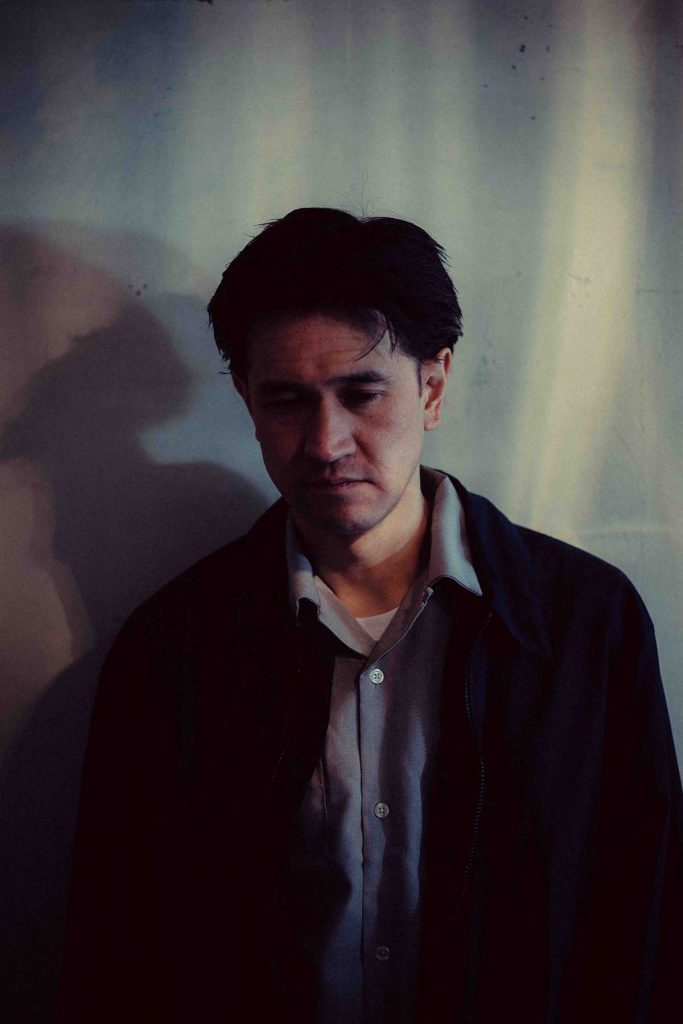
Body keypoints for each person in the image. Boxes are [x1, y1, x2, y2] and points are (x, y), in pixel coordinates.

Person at [60, 208, 682, 1024]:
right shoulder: (173, 649)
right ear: (246, 399)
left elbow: (645, 920)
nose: (325, 442)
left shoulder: (585, 624)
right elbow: (120, 943)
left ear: (433, 386)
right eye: (286, 400)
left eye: (362, 393)